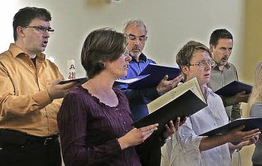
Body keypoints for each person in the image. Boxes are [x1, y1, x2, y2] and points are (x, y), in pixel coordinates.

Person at [57, 28, 180, 166]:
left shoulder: (120, 96)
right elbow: (74, 159)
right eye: (123, 53)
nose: (128, 58)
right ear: (103, 59)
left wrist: (162, 135)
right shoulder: (76, 99)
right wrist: (123, 142)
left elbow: (134, 150)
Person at [0, 7, 79, 166]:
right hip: (15, 151)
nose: (47, 34)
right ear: (21, 31)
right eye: (40, 28)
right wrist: (49, 95)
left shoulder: (50, 67)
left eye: (49, 29)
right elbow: (5, 106)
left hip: (51, 149)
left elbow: (61, 106)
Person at [162, 40, 260, 166]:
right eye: (202, 63)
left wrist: (243, 140)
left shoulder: (215, 99)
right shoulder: (178, 99)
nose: (208, 67)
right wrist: (228, 137)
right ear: (185, 69)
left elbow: (220, 144)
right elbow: (188, 143)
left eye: (209, 62)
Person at [116, 19, 182, 121]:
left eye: (141, 39)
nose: (137, 43)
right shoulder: (119, 64)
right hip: (129, 124)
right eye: (132, 38)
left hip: (155, 122)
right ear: (124, 38)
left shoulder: (151, 65)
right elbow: (121, 96)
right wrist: (154, 91)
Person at [207, 29, 249, 121]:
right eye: (223, 49)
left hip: (228, 124)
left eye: (230, 49)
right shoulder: (205, 71)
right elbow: (206, 104)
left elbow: (236, 107)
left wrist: (237, 124)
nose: (227, 54)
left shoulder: (232, 69)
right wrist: (233, 99)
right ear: (211, 48)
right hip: (210, 126)